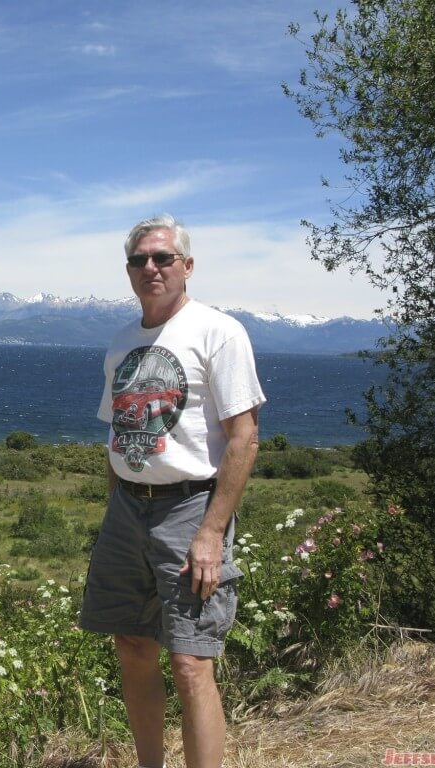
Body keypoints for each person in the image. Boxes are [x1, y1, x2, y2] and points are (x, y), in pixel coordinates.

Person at [79, 213, 265, 768]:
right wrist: (116, 504)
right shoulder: (120, 344)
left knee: (190, 662)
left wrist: (212, 532)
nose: (151, 268)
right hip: (127, 509)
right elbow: (118, 432)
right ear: (129, 271)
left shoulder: (219, 331)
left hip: (190, 510)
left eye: (163, 258)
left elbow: (245, 438)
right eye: (140, 260)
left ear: (187, 266)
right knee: (132, 646)